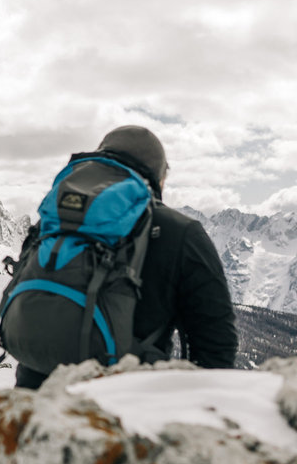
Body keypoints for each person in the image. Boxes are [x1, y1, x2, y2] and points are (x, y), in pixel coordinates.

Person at [15, 125, 239, 389]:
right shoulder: (181, 232)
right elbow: (217, 343)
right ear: (160, 177)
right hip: (125, 405)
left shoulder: (55, 219)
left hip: (33, 400)